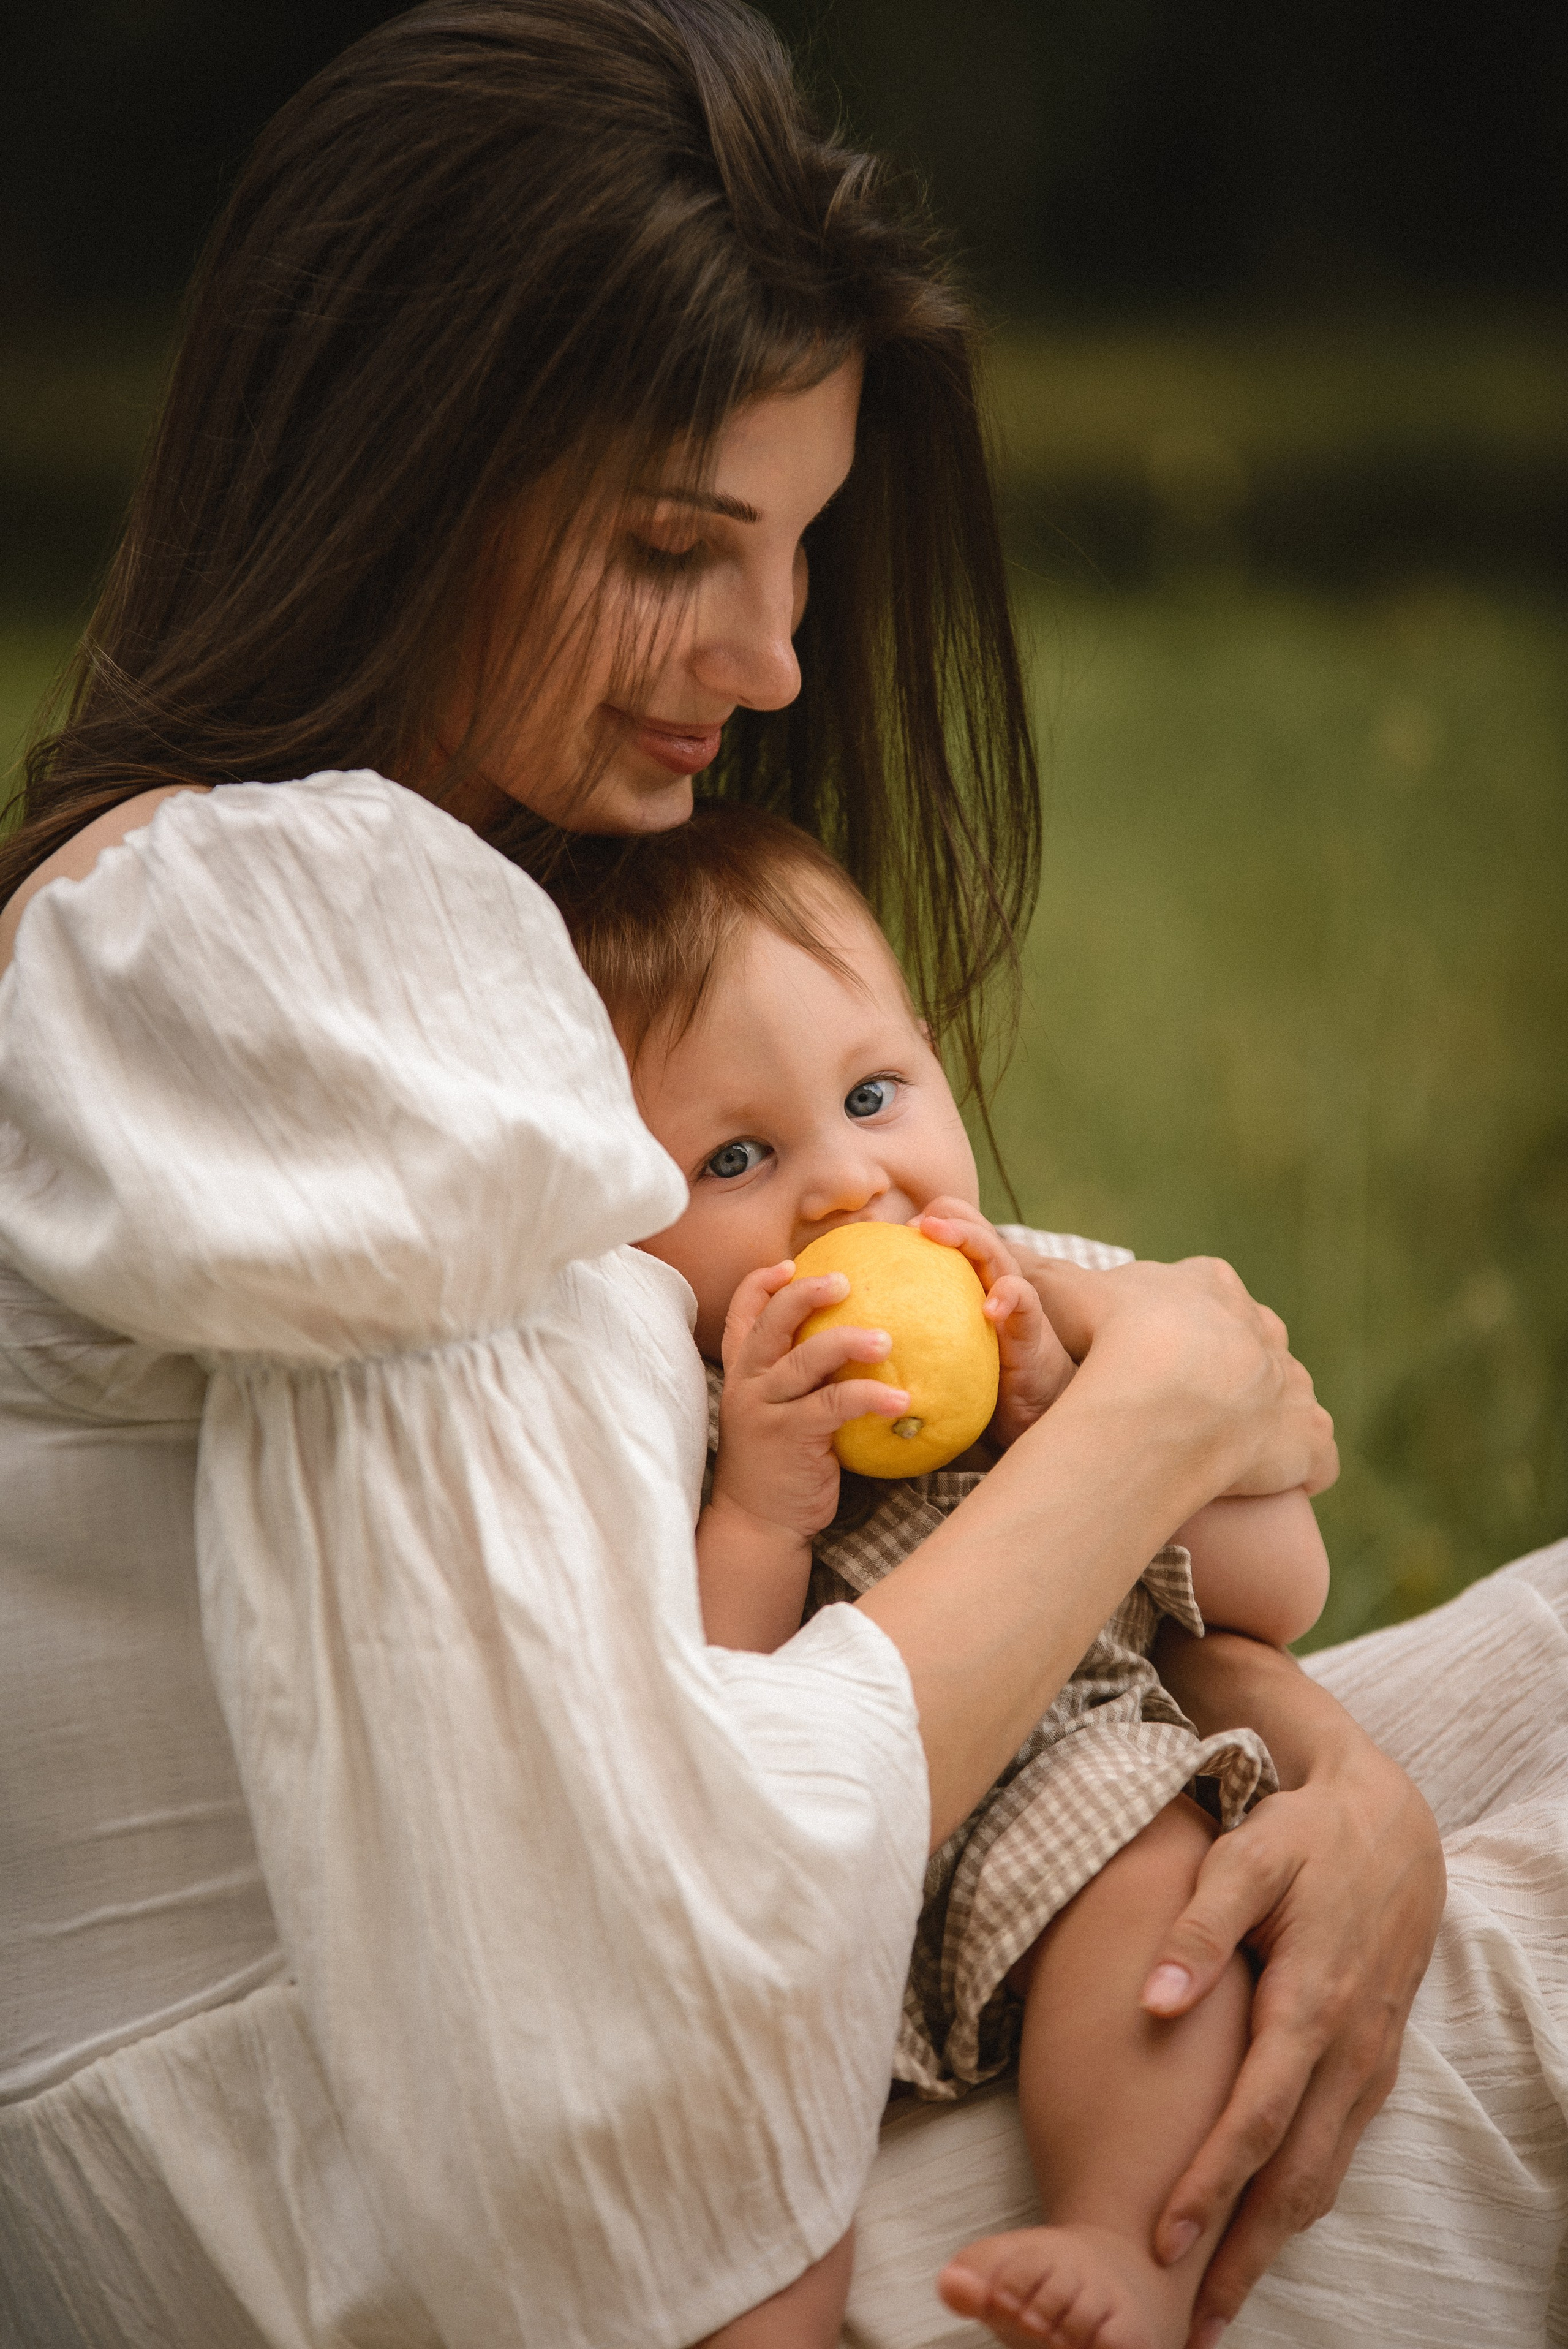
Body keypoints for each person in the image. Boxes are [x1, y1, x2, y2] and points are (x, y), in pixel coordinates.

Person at [0, 7, 1556, 2347]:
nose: (772, 655)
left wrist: (1340, 1772)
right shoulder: (273, 931)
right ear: (400, 468)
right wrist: (1163, 1404)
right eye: (672, 547)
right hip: (452, 2244)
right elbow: (624, 1951)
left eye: (801, 554)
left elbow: (1245, 1460)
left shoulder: (468, 938)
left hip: (755, 2044)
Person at [562, 801, 1330, 2349]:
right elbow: (715, 1699)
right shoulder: (694, 1414)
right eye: (733, 1155)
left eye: (871, 1091)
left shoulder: (1040, 1301)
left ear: (930, 1050)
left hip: (1071, 1797)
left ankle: (1121, 2246)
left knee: (1146, 1894)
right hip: (845, 1888)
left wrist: (1082, 1415)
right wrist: (763, 1511)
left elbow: (1285, 1580)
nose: (847, 1183)